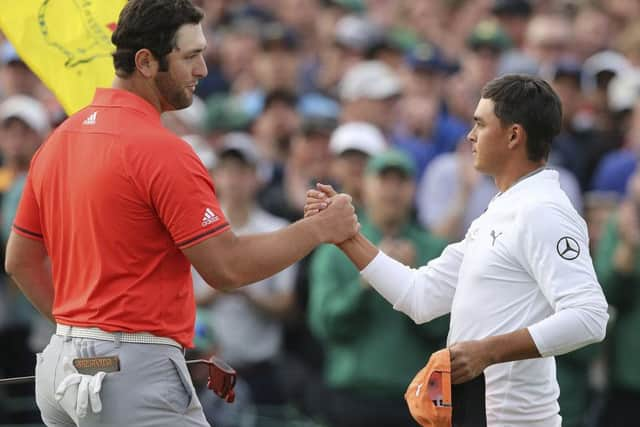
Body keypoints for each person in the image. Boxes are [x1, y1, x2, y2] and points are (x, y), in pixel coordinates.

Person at [4, 1, 358, 426]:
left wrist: (81, 335)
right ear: (146, 62)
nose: (204, 69)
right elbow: (228, 268)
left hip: (64, 368)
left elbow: (19, 262)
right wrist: (319, 228)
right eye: (190, 56)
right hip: (129, 378)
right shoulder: (164, 151)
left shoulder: (58, 140)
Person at [305, 74, 609, 426]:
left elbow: (590, 317)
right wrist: (347, 237)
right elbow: (419, 296)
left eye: (480, 124)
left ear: (514, 135)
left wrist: (488, 351)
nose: (470, 135)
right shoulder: (499, 212)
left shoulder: (544, 210)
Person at [307, 150, 449, 427]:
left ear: (413, 189)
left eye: (401, 182)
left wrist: (412, 280)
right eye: (384, 180)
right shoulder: (337, 248)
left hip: (415, 400)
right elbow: (324, 325)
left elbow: (443, 330)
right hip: (351, 398)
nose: (392, 191)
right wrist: (368, 281)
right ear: (365, 186)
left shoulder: (436, 250)